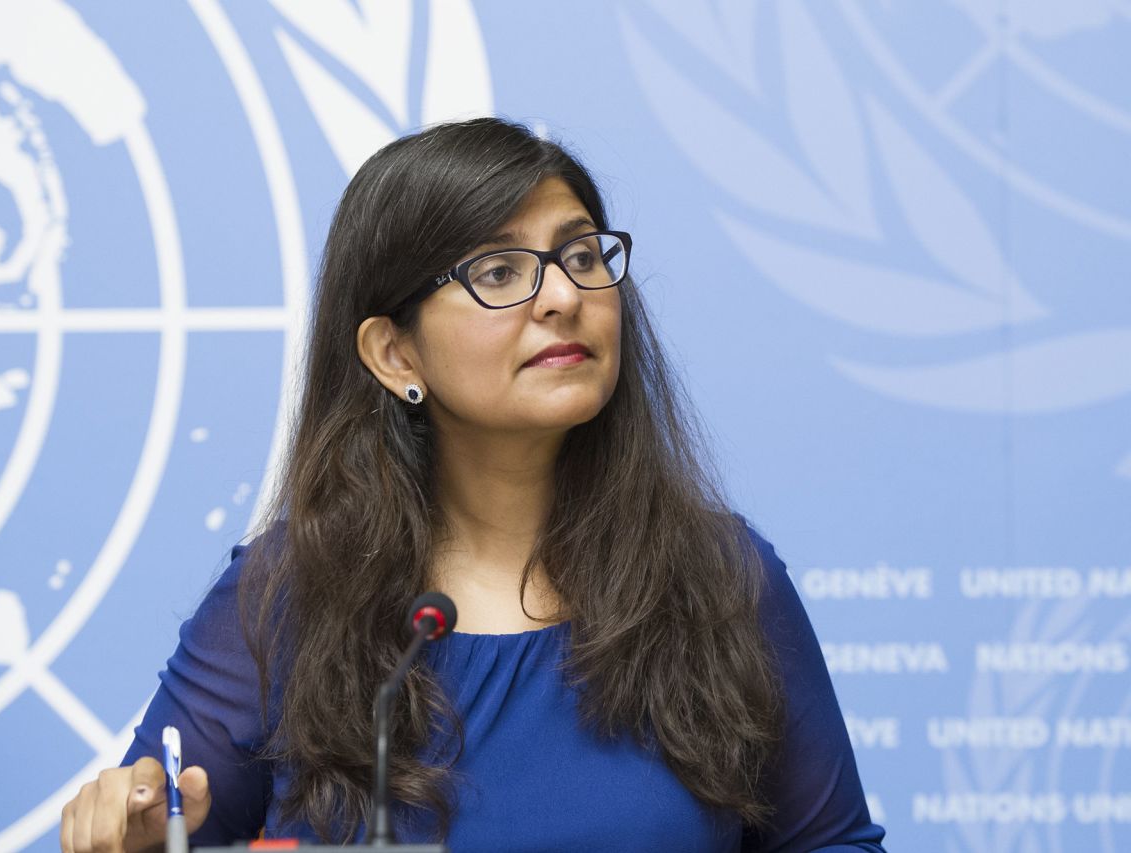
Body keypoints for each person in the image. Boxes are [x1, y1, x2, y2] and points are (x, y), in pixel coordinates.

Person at [59, 117, 887, 852]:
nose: (564, 295)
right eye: (498, 272)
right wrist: (131, 834)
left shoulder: (720, 578)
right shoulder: (287, 598)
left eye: (581, 254)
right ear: (395, 354)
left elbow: (835, 843)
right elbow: (165, 824)